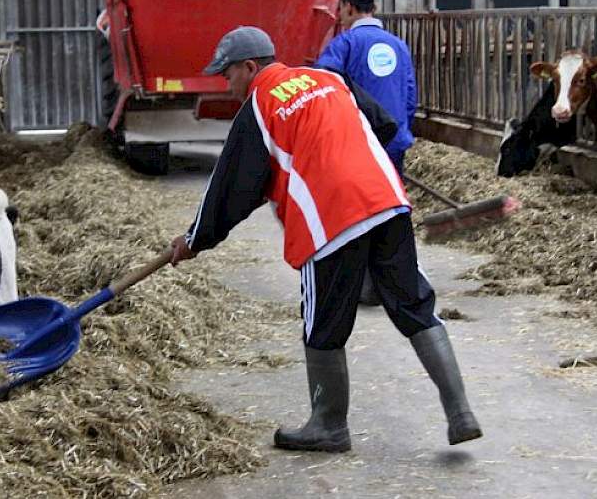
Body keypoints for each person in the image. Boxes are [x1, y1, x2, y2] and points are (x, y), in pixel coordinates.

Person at [169, 26, 482, 452]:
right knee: (413, 303)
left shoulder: (259, 106)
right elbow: (384, 125)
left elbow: (229, 189)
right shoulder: (328, 77)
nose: (227, 83)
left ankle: (329, 425)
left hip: (330, 219)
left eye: (227, 74)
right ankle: (460, 412)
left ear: (249, 67)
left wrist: (195, 239)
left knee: (322, 323)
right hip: (385, 200)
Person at [317, 0, 418, 306]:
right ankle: (396, 285)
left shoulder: (344, 45)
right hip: (395, 144)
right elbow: (410, 97)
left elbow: (325, 87)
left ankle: (362, 286)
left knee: (358, 216)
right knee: (393, 213)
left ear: (347, 6)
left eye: (340, 10)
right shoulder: (398, 46)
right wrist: (400, 131)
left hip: (358, 147)